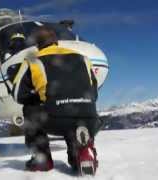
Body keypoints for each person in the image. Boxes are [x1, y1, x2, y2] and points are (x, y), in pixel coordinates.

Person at [11, 26, 100, 174]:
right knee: (74, 117)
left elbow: (18, 94)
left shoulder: (33, 61)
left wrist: (40, 97)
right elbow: (94, 92)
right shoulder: (83, 58)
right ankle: (81, 152)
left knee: (30, 108)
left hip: (55, 119)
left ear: (37, 45)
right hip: (89, 119)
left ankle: (42, 159)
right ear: (56, 42)